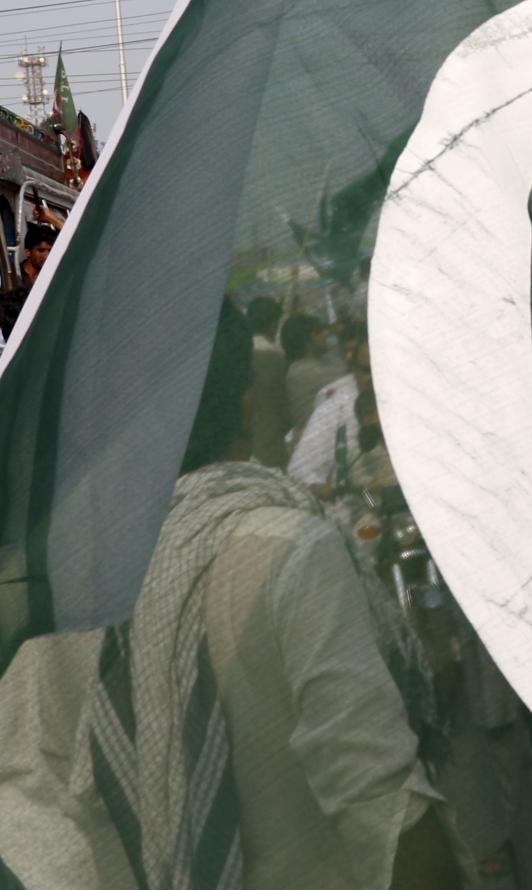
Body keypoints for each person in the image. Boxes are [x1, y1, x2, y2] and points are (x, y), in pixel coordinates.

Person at [0, 299, 463, 890]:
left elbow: (28, 788)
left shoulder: (59, 577)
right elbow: (384, 807)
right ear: (246, 404)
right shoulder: (289, 548)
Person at [287, 323, 370, 492]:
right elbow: (301, 470)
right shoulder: (336, 408)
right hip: (366, 499)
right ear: (353, 369)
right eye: (366, 371)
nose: (374, 377)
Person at [282, 313, 347, 430]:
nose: (326, 334)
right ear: (307, 340)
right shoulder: (301, 371)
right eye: (319, 332)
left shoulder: (322, 359)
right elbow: (347, 375)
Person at [246, 296, 289, 468]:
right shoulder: (274, 357)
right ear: (273, 324)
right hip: (269, 442)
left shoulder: (238, 351)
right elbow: (284, 406)